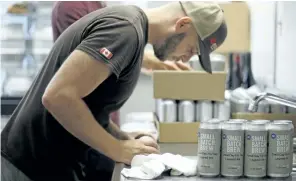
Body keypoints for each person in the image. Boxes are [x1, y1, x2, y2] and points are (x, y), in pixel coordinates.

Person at [1, 2, 228, 181]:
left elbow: (87, 104)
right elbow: (58, 97)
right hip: (27, 165)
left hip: (48, 164)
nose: (185, 58)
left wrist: (121, 136)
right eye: (191, 49)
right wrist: (118, 149)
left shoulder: (133, 30)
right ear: (182, 24)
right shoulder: (125, 30)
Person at [51, 2, 190, 180]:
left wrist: (119, 137)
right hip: (60, 148)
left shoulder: (103, 8)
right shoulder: (74, 6)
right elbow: (65, 93)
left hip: (93, 134)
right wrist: (118, 148)